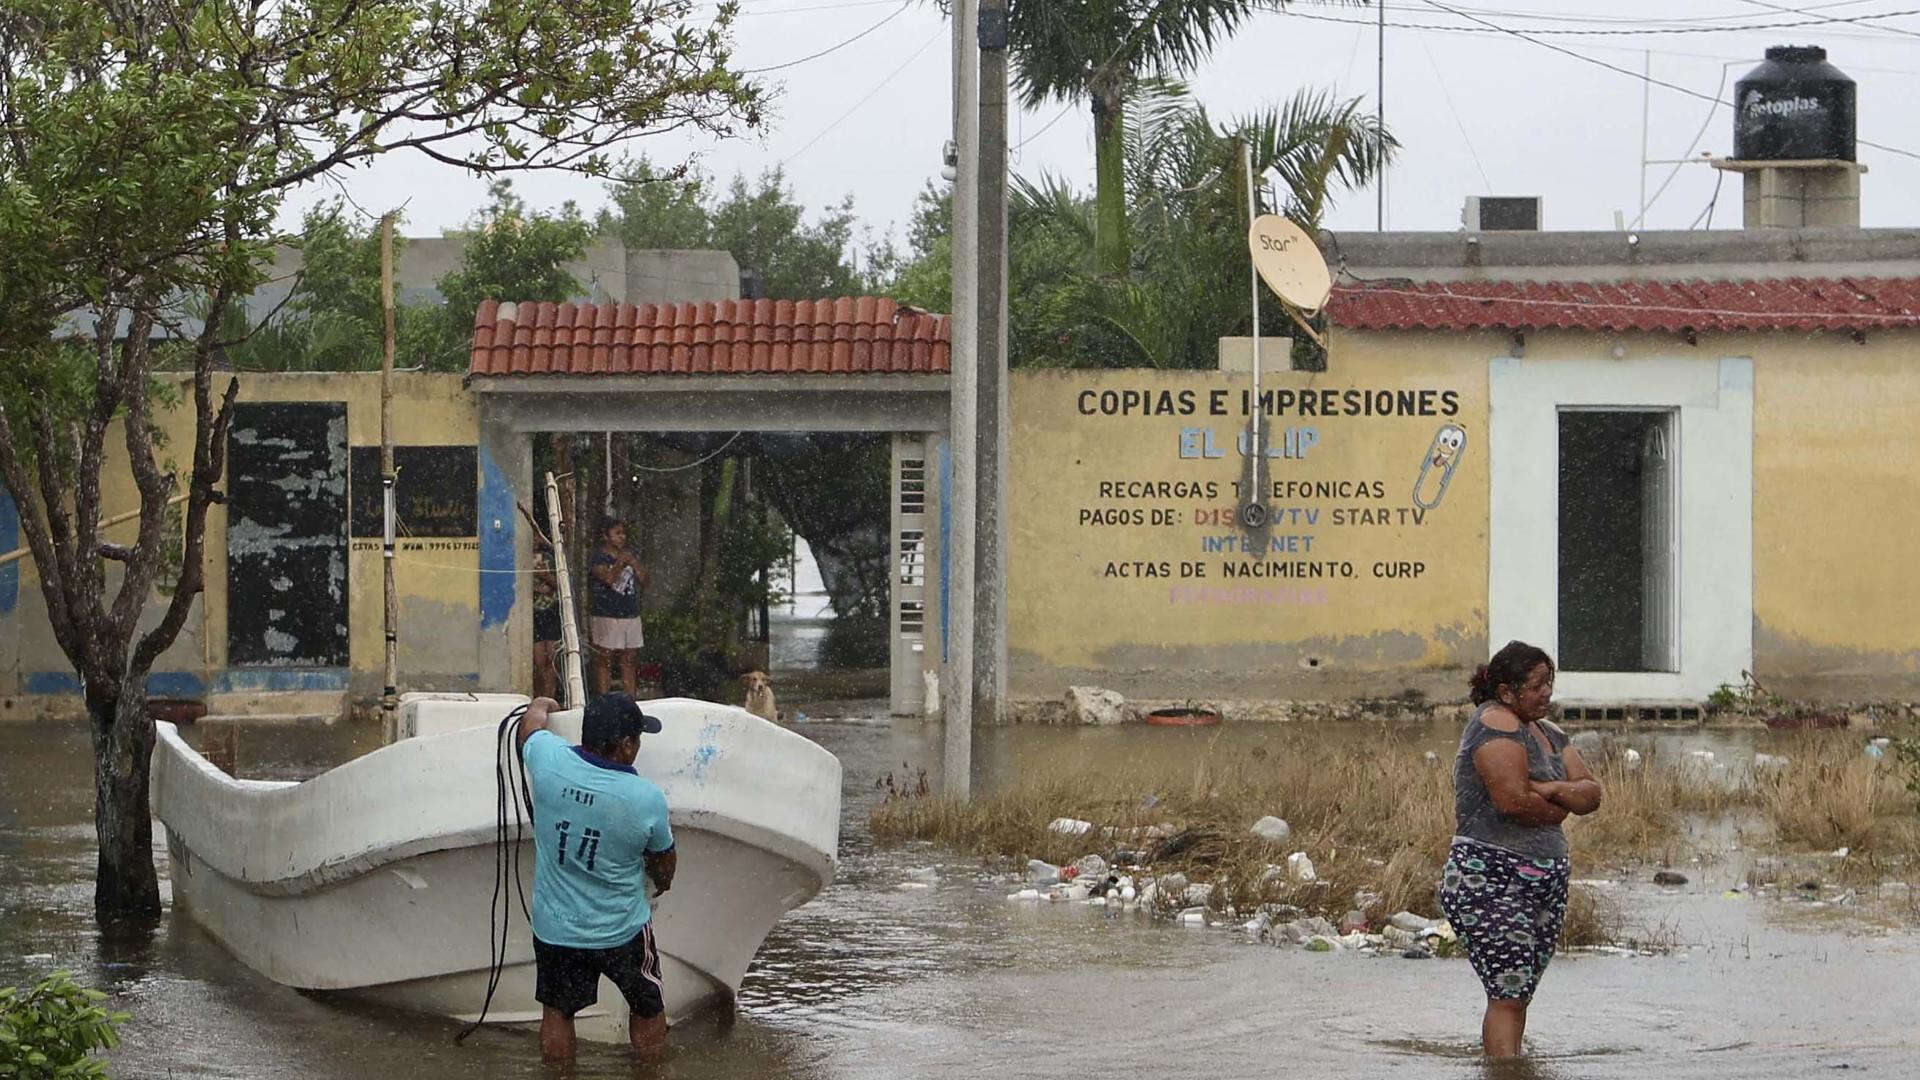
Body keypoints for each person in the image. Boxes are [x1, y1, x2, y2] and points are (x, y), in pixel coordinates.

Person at [1437, 640, 1603, 1060]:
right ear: (1507, 692)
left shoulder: (1550, 733)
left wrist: (1551, 789)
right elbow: (1514, 802)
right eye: (1537, 685)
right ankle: (1505, 1071)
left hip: (1544, 879)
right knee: (1508, 992)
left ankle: (1507, 1062)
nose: (1547, 693)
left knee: (1518, 991)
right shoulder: (1495, 720)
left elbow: (1591, 795)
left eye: (1550, 682)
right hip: (1489, 875)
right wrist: (1561, 804)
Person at [515, 693, 677, 1063]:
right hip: (621, 931)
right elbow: (664, 865)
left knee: (558, 1011)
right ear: (625, 745)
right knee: (647, 1005)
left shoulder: (549, 762)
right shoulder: (644, 798)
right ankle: (650, 1072)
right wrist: (661, 883)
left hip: (557, 929)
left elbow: (528, 730)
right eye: (637, 738)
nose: (637, 746)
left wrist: (543, 703)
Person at [588, 517, 649, 694]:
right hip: (606, 614)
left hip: (630, 614)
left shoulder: (630, 556)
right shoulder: (598, 557)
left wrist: (635, 564)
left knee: (629, 660)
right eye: (617, 533)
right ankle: (604, 699)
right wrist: (620, 562)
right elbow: (607, 579)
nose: (622, 537)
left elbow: (645, 581)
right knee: (604, 659)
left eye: (623, 533)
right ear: (606, 536)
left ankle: (631, 700)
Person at [531, 544, 563, 701]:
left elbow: (562, 584)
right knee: (538, 663)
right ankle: (538, 699)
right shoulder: (520, 557)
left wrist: (546, 576)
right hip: (533, 615)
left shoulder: (553, 557)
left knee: (551, 661)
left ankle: (549, 699)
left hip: (552, 613)